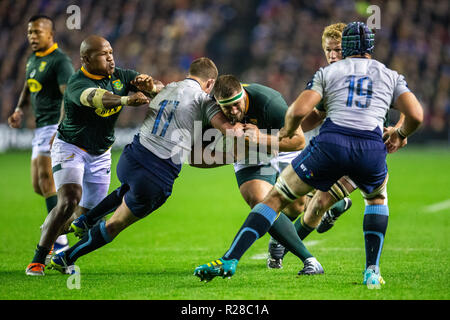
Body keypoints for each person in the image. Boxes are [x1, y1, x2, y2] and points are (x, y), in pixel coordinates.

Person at [194, 22, 423, 289]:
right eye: (329, 50)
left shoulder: (329, 73)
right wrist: (399, 132)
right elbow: (416, 114)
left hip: (331, 145)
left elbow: (297, 112)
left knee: (278, 196)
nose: (332, 54)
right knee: (376, 199)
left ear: (345, 48)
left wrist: (284, 132)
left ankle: (230, 259)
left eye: (336, 49)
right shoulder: (389, 75)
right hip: (370, 150)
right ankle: (372, 271)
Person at [48, 58, 244, 274]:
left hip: (131, 157)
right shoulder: (203, 100)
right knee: (115, 225)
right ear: (210, 83)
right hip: (156, 175)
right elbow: (230, 130)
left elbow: (153, 90)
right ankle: (67, 257)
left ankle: (87, 219)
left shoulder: (168, 88)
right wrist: (248, 131)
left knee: (127, 188)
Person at [25, 35, 157, 276]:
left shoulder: (123, 76)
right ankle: (38, 259)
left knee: (84, 219)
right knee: (69, 199)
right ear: (85, 59)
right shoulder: (77, 82)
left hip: (101, 152)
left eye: (111, 52)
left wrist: (151, 85)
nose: (110, 57)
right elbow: (96, 98)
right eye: (103, 54)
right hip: (71, 147)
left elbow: (156, 87)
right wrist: (127, 99)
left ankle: (50, 228)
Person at [196, 74, 323, 274]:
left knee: (296, 207)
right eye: (226, 107)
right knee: (259, 199)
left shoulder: (269, 102)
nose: (233, 111)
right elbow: (194, 156)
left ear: (243, 94)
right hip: (247, 150)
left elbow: (298, 141)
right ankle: (309, 260)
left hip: (277, 141)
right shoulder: (209, 109)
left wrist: (260, 139)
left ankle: (285, 233)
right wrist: (231, 155)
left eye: (237, 104)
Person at [8, 15, 75, 256]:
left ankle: (58, 243)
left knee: (47, 179)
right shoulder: (33, 59)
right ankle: (70, 212)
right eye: (30, 33)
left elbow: (69, 96)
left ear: (50, 34)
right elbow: (29, 85)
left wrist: (60, 128)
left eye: (37, 32)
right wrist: (19, 109)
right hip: (39, 128)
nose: (32, 37)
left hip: (52, 126)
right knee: (39, 185)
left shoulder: (60, 61)